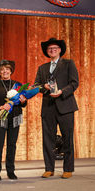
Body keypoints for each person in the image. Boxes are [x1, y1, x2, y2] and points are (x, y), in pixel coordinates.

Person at [34, 38, 79, 179]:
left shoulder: (68, 64)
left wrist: (62, 91)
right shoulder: (42, 68)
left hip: (65, 105)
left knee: (67, 139)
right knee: (48, 139)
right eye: (49, 49)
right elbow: (36, 85)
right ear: (47, 52)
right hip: (48, 107)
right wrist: (44, 87)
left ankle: (68, 168)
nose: (52, 50)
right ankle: (49, 168)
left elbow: (74, 83)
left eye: (54, 48)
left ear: (60, 50)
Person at [0, 60, 27, 181]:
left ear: (11, 71)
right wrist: (0, 107)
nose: (5, 71)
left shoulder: (18, 85)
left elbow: (23, 104)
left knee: (12, 145)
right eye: (2, 70)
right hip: (0, 118)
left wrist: (23, 100)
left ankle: (11, 171)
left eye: (7, 69)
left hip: (14, 118)